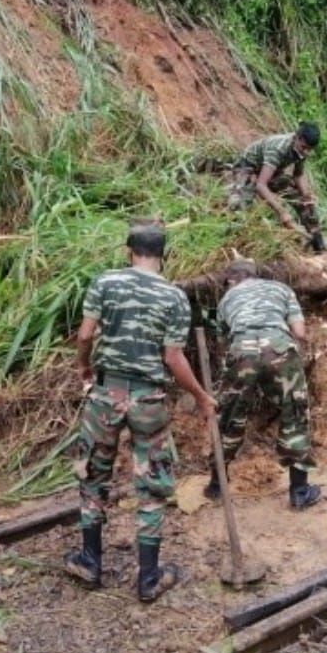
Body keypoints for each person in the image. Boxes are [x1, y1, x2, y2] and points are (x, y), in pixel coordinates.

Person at [64, 220, 217, 603]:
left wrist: (84, 367)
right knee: (151, 484)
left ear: (128, 249)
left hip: (105, 394)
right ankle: (148, 577)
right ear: (163, 255)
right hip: (149, 399)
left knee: (94, 476)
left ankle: (89, 562)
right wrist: (200, 396)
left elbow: (85, 335)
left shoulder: (105, 282)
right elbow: (174, 358)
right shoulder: (174, 296)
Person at [203, 259, 321, 509]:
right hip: (279, 348)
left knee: (230, 417)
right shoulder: (281, 289)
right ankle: (299, 491)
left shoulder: (227, 299)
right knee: (295, 414)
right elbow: (299, 333)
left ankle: (217, 485)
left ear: (232, 279)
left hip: (242, 351)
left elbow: (224, 341)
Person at [228, 122, 327, 252]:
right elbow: (261, 185)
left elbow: (298, 175)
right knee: (239, 205)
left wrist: (306, 197)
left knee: (305, 203)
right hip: (247, 168)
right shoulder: (278, 148)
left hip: (271, 171)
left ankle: (318, 245)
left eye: (310, 149)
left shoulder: (301, 149)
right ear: (296, 138)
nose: (306, 152)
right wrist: (282, 212)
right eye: (304, 148)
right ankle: (234, 244)